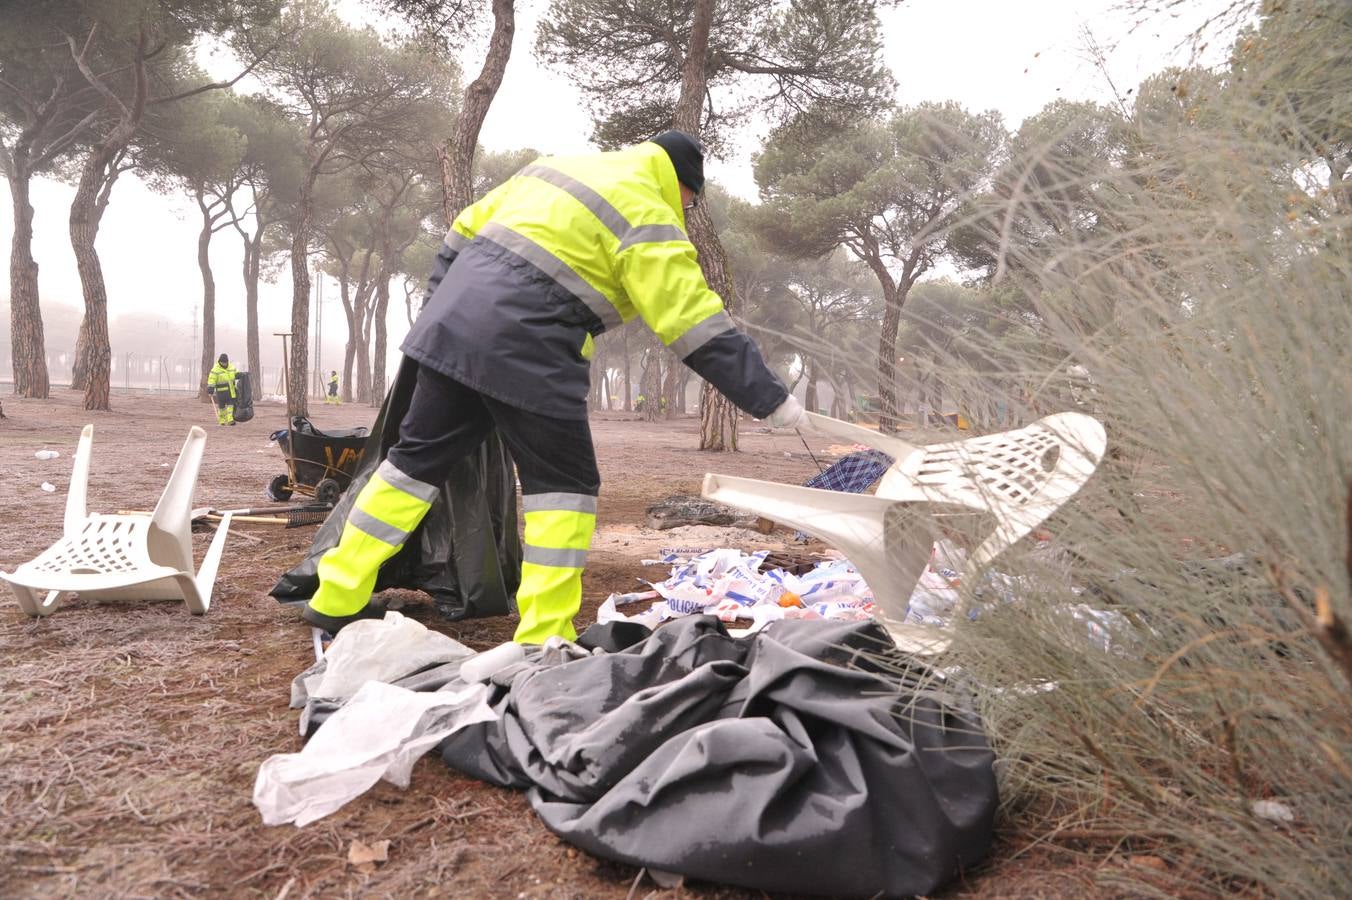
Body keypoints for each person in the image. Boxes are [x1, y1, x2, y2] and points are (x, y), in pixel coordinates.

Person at [300, 130, 806, 640]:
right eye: (690, 202)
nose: (686, 211)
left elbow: (459, 232)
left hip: (451, 330)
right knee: (564, 489)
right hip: (530, 347)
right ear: (682, 184)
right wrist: (770, 398)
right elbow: (691, 321)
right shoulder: (647, 210)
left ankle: (337, 594)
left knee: (411, 465)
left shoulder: (552, 168)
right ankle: (543, 636)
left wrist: (442, 310)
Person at [207, 353, 238, 426]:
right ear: (219, 361)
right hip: (221, 393)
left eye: (225, 362)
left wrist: (241, 375)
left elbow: (236, 374)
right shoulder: (215, 370)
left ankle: (230, 420)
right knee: (222, 408)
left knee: (231, 406)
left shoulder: (232, 367)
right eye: (222, 362)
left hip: (231, 391)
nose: (224, 364)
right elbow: (212, 379)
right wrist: (211, 388)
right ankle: (222, 421)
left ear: (227, 361)